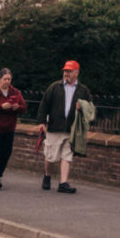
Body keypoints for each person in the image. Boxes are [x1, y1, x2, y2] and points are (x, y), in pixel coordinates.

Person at [38, 60, 92, 194]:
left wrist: (83, 106)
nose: (66, 74)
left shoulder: (83, 90)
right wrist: (41, 122)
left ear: (76, 72)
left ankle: (63, 183)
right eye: (65, 71)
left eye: (69, 71)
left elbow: (90, 109)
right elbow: (44, 104)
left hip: (72, 129)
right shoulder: (54, 87)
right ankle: (47, 175)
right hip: (54, 127)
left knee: (67, 156)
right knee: (50, 156)